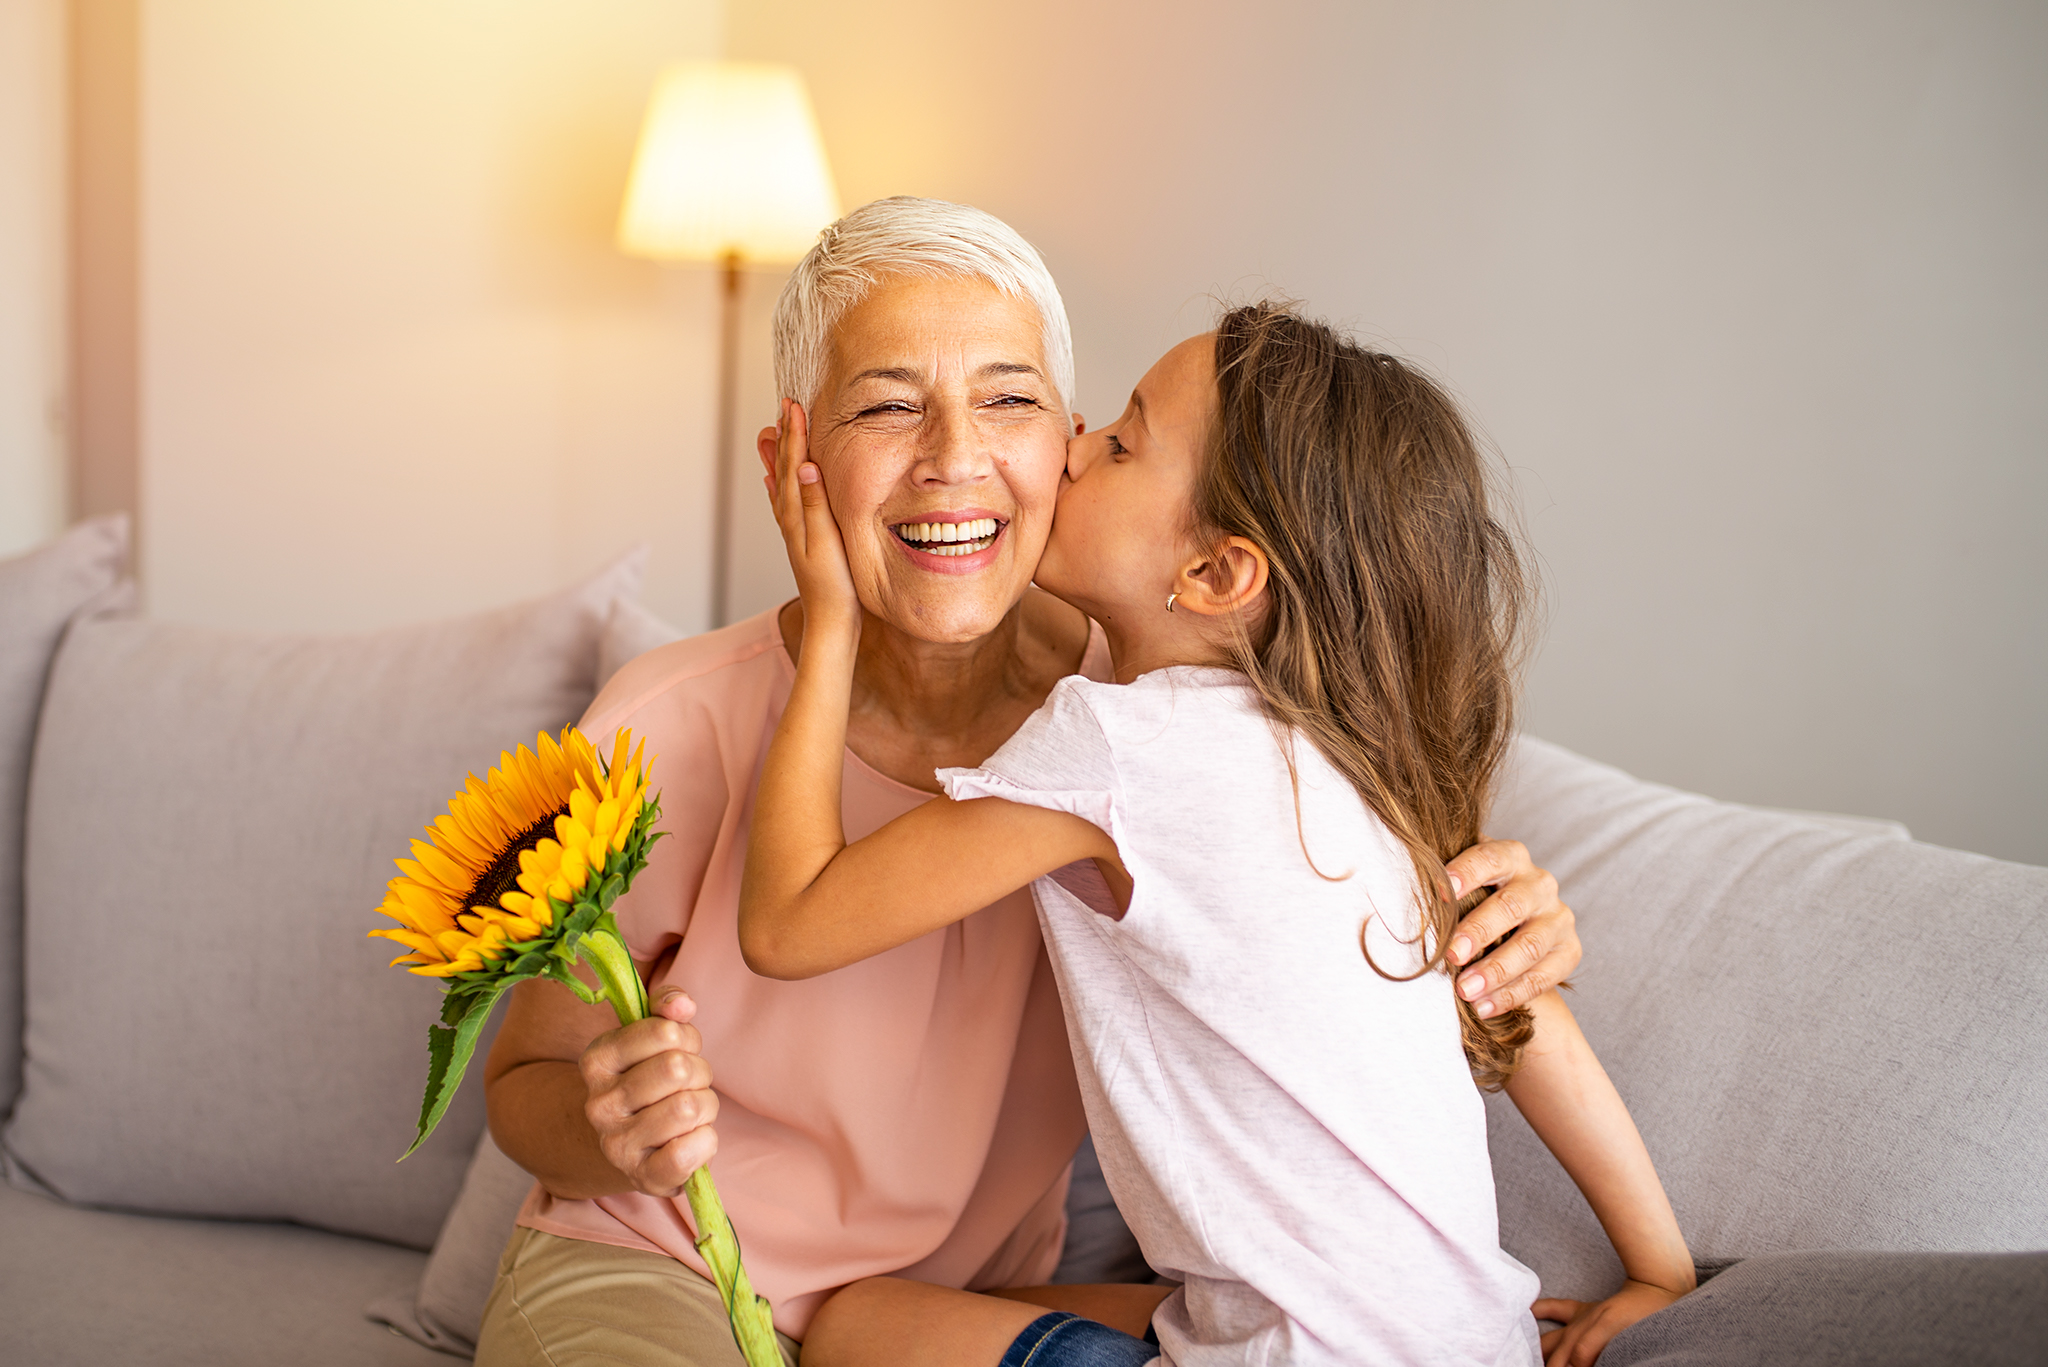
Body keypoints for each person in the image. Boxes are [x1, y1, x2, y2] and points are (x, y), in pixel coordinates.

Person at [476, 199, 1581, 1367]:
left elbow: (1344, 927)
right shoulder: (663, 721)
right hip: (665, 1268)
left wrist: (1503, 925)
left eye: (1007, 399)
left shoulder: (1153, 722)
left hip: (958, 1311)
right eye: (888, 404)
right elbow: (520, 1088)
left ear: (1066, 438)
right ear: (789, 460)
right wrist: (608, 1124)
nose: (953, 456)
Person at [741, 303, 1692, 1366]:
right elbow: (1522, 1015)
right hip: (1472, 1341)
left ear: (1213, 576)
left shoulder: (1114, 744)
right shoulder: (1339, 752)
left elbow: (787, 923)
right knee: (1001, 1297)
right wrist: (1659, 1267)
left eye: (1121, 442)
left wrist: (828, 618)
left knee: (854, 1321)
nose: (1074, 439)